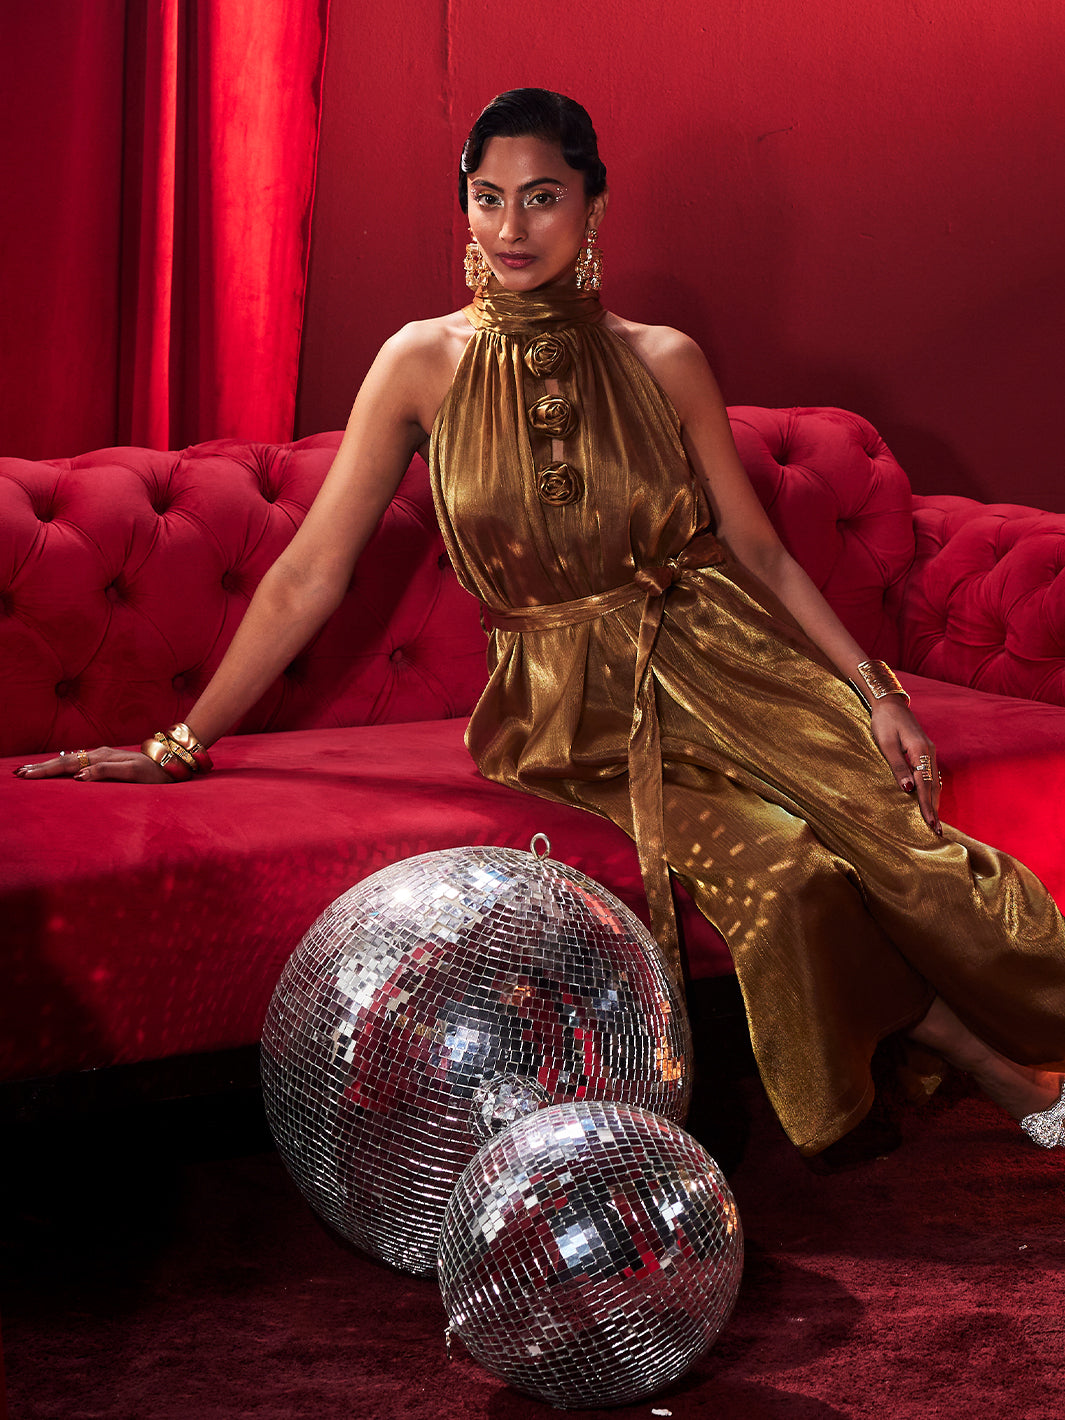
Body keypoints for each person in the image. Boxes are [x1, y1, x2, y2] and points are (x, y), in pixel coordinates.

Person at [15, 88, 1065, 1158]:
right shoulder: (419, 361)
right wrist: (180, 744)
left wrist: (875, 692)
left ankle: (1027, 1034)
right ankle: (986, 1061)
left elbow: (757, 554)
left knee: (903, 845)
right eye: (487, 198)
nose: (510, 228)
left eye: (542, 197)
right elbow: (308, 574)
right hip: (565, 710)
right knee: (788, 870)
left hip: (731, 664)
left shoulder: (665, 358)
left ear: (593, 207)